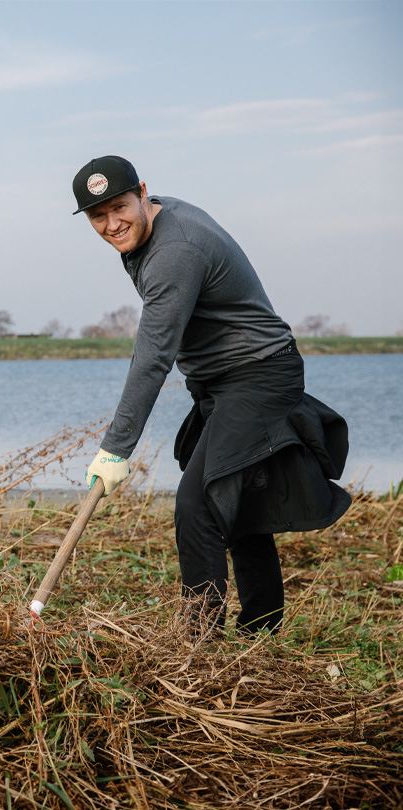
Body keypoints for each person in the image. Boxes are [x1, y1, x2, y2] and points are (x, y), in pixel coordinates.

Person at [71, 155, 350, 635]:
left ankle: (196, 641)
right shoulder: (152, 225)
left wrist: (116, 448)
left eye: (120, 207)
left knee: (197, 504)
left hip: (258, 375)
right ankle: (261, 628)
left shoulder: (174, 250)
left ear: (142, 192)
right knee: (237, 498)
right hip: (225, 380)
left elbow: (154, 354)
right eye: (99, 216)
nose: (112, 224)